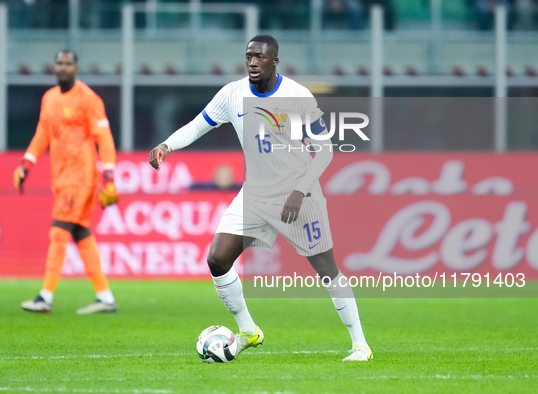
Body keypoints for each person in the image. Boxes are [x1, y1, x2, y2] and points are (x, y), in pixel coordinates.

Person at [148, 35, 372, 361]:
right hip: (255, 193)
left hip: (299, 195)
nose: (253, 62)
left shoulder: (297, 96)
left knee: (327, 269)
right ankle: (249, 331)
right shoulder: (232, 94)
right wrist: (167, 145)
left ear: (274, 61)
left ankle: (360, 345)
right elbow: (198, 126)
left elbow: (324, 150)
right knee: (217, 258)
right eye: (249, 56)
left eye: (260, 57)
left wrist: (299, 190)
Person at [14, 49, 119, 315]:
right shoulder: (49, 99)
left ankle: (45, 297)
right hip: (61, 178)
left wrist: (109, 176)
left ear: (76, 67)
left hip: (81, 177)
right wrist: (27, 163)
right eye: (59, 63)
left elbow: (104, 138)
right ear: (54, 66)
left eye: (68, 63)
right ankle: (105, 297)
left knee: (58, 231)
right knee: (81, 233)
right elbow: (42, 134)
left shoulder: (88, 99)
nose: (63, 67)